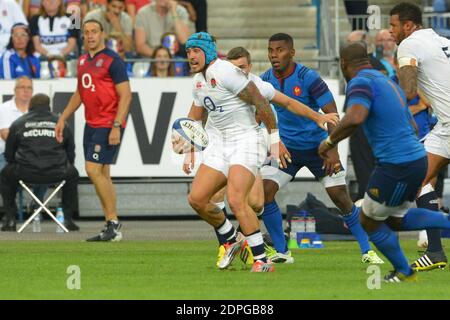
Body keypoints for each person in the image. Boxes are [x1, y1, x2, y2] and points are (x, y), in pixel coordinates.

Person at [318, 42, 450, 283]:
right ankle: (405, 270)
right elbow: (410, 124)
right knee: (394, 219)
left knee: (367, 220)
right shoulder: (389, 82)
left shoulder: (360, 83)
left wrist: (328, 143)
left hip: (396, 165)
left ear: (343, 65)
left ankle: (404, 271)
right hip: (415, 158)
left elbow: (355, 117)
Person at [205, 46, 339, 266]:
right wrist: (191, 145)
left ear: (249, 67)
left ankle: (239, 241)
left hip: (246, 148)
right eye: (233, 68)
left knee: (257, 203)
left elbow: (288, 102)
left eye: (242, 68)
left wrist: (316, 117)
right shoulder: (216, 84)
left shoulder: (257, 85)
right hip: (220, 146)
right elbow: (197, 112)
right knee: (216, 196)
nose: (238, 72)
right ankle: (228, 244)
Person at [259, 33, 383, 264]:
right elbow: (261, 115)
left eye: (280, 50)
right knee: (264, 193)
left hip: (319, 149)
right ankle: (282, 252)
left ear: (292, 52)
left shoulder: (309, 77)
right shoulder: (265, 80)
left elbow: (332, 113)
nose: (274, 55)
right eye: (271, 50)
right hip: (289, 151)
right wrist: (273, 140)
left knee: (341, 199)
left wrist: (332, 148)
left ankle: (367, 251)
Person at [174, 32, 286, 273]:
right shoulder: (198, 82)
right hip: (220, 143)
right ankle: (231, 237)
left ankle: (262, 261)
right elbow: (195, 118)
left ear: (207, 51)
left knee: (236, 199)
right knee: (197, 199)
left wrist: (274, 140)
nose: (191, 56)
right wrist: (187, 145)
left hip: (246, 139)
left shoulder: (225, 71)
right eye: (188, 52)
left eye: (196, 51)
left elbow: (261, 102)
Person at [55, 19, 132, 241]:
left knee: (92, 170)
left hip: (108, 123)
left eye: (94, 32)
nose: (89, 36)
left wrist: (117, 125)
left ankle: (113, 223)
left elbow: (126, 95)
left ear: (102, 34)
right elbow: (80, 92)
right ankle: (111, 226)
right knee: (103, 173)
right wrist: (62, 118)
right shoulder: (81, 61)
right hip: (91, 123)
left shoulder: (113, 60)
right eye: (86, 32)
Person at [390, 2, 450, 271]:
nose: (390, 32)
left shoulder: (409, 45)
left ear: (408, 25)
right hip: (445, 126)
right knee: (420, 178)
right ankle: (435, 251)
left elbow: (409, 88)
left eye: (393, 26)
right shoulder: (441, 40)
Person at [1, 94, 79, 232]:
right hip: (57, 172)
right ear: (49, 106)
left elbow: (9, 154)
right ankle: (67, 219)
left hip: (25, 172)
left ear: (31, 105)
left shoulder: (19, 123)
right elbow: (71, 152)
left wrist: (19, 164)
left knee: (5, 174)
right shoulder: (60, 123)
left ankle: (10, 219)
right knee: (73, 173)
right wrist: (64, 166)